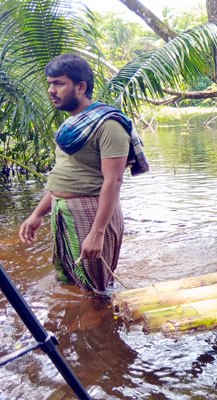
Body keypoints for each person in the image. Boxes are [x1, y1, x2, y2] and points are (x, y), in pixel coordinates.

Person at [18, 53, 149, 295]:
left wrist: (97, 232)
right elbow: (62, 175)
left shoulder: (109, 125)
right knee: (69, 287)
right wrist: (37, 214)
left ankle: (104, 330)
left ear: (81, 87)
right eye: (49, 83)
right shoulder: (71, 126)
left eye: (58, 83)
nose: (51, 90)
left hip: (91, 214)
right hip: (62, 213)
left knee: (95, 291)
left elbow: (114, 180)